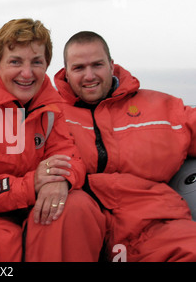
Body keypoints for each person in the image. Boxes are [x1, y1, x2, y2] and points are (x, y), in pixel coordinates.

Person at [0, 19, 106, 262]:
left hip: (38, 208)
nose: (27, 73)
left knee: (79, 206)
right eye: (15, 62)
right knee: (3, 240)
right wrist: (31, 184)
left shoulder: (50, 105)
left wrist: (62, 180)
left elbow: (70, 157)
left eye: (36, 62)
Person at [54, 31, 196, 261]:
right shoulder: (49, 113)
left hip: (153, 223)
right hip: (79, 225)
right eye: (79, 68)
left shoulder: (161, 108)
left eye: (97, 65)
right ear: (66, 73)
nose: (89, 76)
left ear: (111, 65)